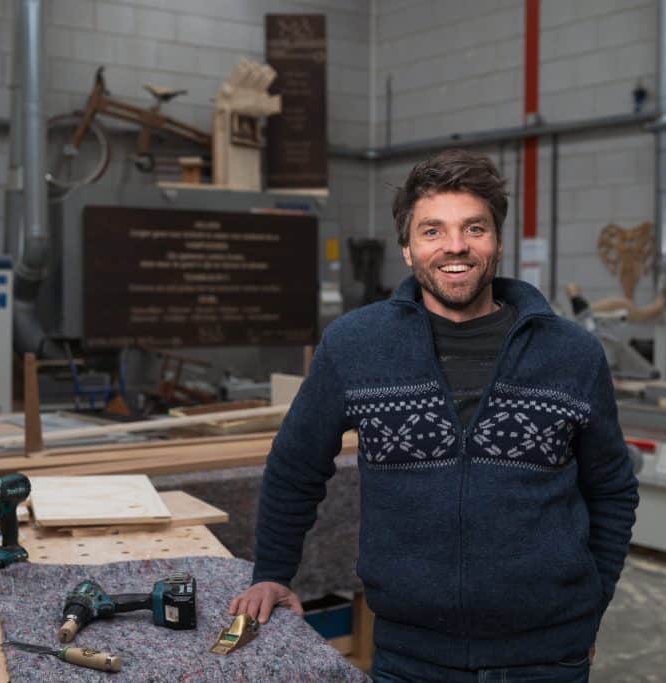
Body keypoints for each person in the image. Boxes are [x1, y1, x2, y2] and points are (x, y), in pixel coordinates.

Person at [228, 149, 639, 682]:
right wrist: (273, 574)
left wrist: (592, 604)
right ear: (406, 248)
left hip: (548, 658)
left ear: (496, 241)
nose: (455, 246)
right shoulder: (357, 346)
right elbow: (295, 466)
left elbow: (611, 488)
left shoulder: (570, 353)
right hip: (409, 658)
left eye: (475, 228)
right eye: (432, 231)